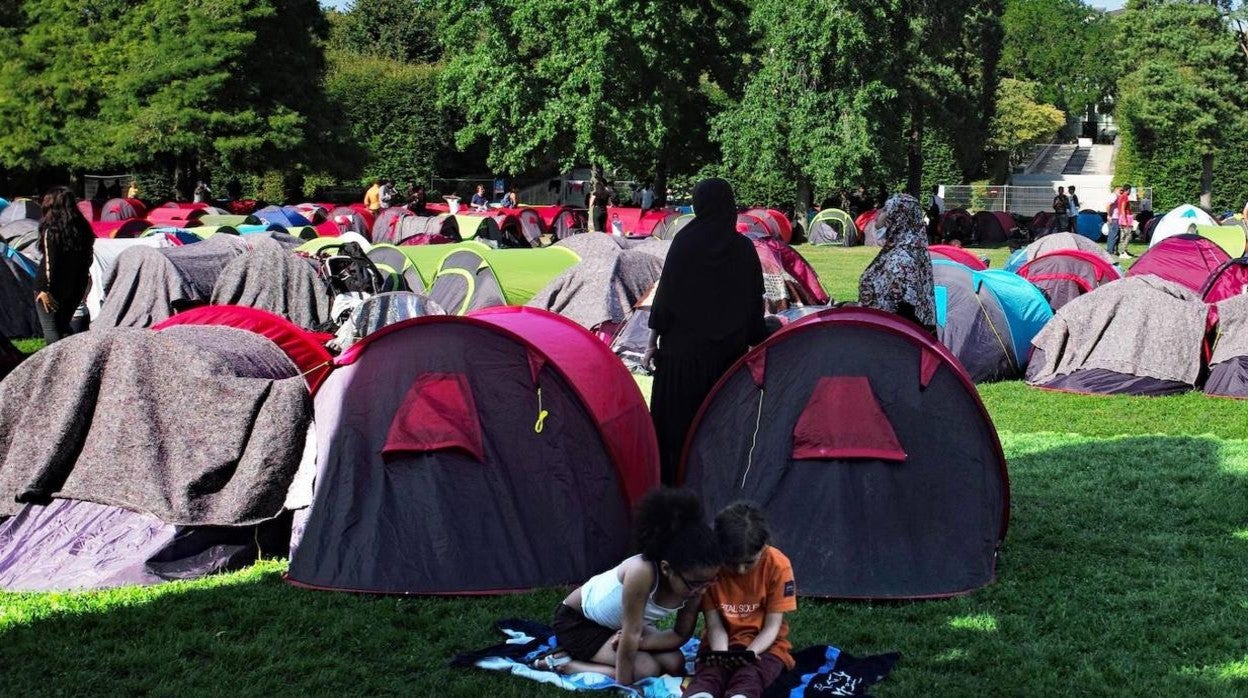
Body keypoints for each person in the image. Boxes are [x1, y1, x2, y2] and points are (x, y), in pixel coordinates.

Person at [643, 178, 769, 483]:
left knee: (676, 438)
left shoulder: (684, 243)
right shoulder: (743, 249)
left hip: (680, 362)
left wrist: (651, 344)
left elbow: (666, 299)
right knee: (719, 438)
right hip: (726, 364)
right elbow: (755, 305)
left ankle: (675, 493)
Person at [537, 488, 723, 685]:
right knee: (646, 670)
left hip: (620, 627)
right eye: (695, 584)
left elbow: (679, 634)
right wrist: (626, 685)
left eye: (709, 582)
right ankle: (569, 665)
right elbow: (631, 634)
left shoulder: (694, 585)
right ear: (667, 569)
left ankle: (607, 658)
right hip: (579, 624)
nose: (703, 590)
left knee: (675, 661)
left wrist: (643, 642)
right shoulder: (641, 572)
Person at [684, 503, 797, 698]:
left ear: (764, 546)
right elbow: (714, 625)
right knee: (709, 676)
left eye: (749, 562)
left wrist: (750, 653)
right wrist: (721, 656)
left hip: (766, 646)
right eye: (732, 563)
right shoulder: (711, 567)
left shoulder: (778, 566)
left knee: (751, 676)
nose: (741, 570)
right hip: (719, 644)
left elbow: (772, 627)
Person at [858, 193, 936, 335]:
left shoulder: (902, 259)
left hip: (890, 338)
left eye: (886, 209)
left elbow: (904, 310)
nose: (880, 213)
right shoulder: (909, 248)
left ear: (898, 217)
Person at [33, 186, 95, 344]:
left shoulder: (51, 230)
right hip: (74, 285)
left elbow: (50, 263)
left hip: (50, 287)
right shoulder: (83, 230)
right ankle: (67, 359)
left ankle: (54, 364)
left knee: (51, 329)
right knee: (63, 326)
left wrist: (45, 290)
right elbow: (87, 260)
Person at [1113, 185, 1134, 258]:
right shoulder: (1125, 196)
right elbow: (1122, 208)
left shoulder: (1121, 196)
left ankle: (1124, 251)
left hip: (1122, 217)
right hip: (1126, 218)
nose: (1130, 192)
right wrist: (1125, 220)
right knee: (1128, 235)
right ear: (1128, 190)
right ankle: (1123, 252)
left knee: (1123, 235)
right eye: (1130, 190)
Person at [589, 168, 610, 233]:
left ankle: (598, 241)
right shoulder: (606, 193)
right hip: (604, 211)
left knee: (597, 228)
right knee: (603, 227)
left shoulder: (595, 193)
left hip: (597, 210)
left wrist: (589, 209)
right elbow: (609, 202)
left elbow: (591, 202)